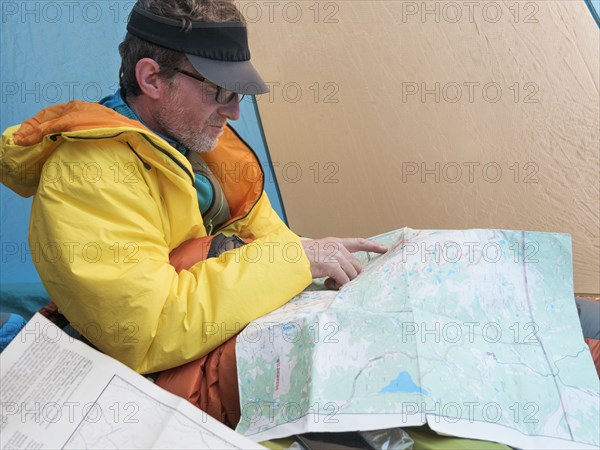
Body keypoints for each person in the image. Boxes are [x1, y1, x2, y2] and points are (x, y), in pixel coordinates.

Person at [0, 0, 386, 427]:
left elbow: (270, 244)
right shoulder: (88, 173)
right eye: (219, 91)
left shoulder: (202, 148)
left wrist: (314, 258)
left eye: (239, 93)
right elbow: (146, 329)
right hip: (138, 373)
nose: (234, 111)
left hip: (198, 344)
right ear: (152, 79)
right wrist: (296, 260)